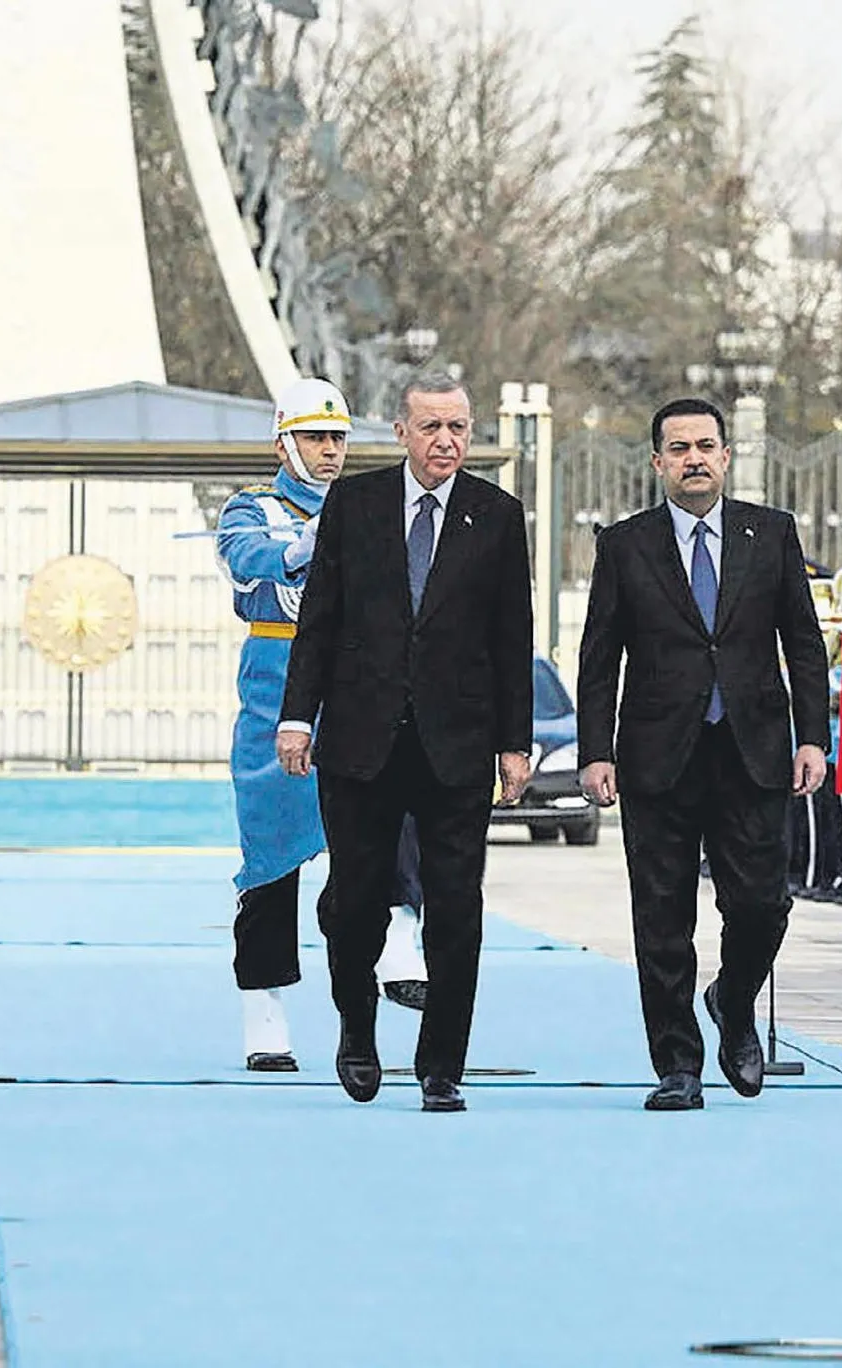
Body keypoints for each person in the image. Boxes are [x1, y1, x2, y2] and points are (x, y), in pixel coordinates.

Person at [277, 373, 533, 1113]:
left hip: (457, 746)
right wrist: (299, 717)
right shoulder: (354, 508)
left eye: (458, 428)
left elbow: (512, 636)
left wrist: (514, 743)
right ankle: (357, 1029)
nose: (447, 442)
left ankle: (441, 1065)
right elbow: (318, 621)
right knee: (355, 903)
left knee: (457, 907)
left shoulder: (497, 515)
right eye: (431, 428)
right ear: (400, 432)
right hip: (360, 742)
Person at [575, 396, 830, 1111]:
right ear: (657, 462)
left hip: (753, 751)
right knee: (661, 916)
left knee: (762, 905)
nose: (693, 458)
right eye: (678, 448)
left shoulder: (770, 534)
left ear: (725, 456)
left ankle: (734, 998)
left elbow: (803, 645)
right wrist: (596, 750)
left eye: (705, 446)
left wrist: (813, 736)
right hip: (657, 757)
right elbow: (600, 658)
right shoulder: (624, 546)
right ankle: (677, 1065)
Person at [217, 377, 355, 1071]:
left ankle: (391, 951)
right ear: (283, 442)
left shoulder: (371, 508)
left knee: (386, 837)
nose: (329, 451)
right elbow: (247, 562)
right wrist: (302, 545)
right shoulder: (253, 508)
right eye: (314, 438)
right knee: (271, 855)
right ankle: (264, 1007)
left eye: (336, 438)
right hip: (276, 685)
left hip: (354, 686)